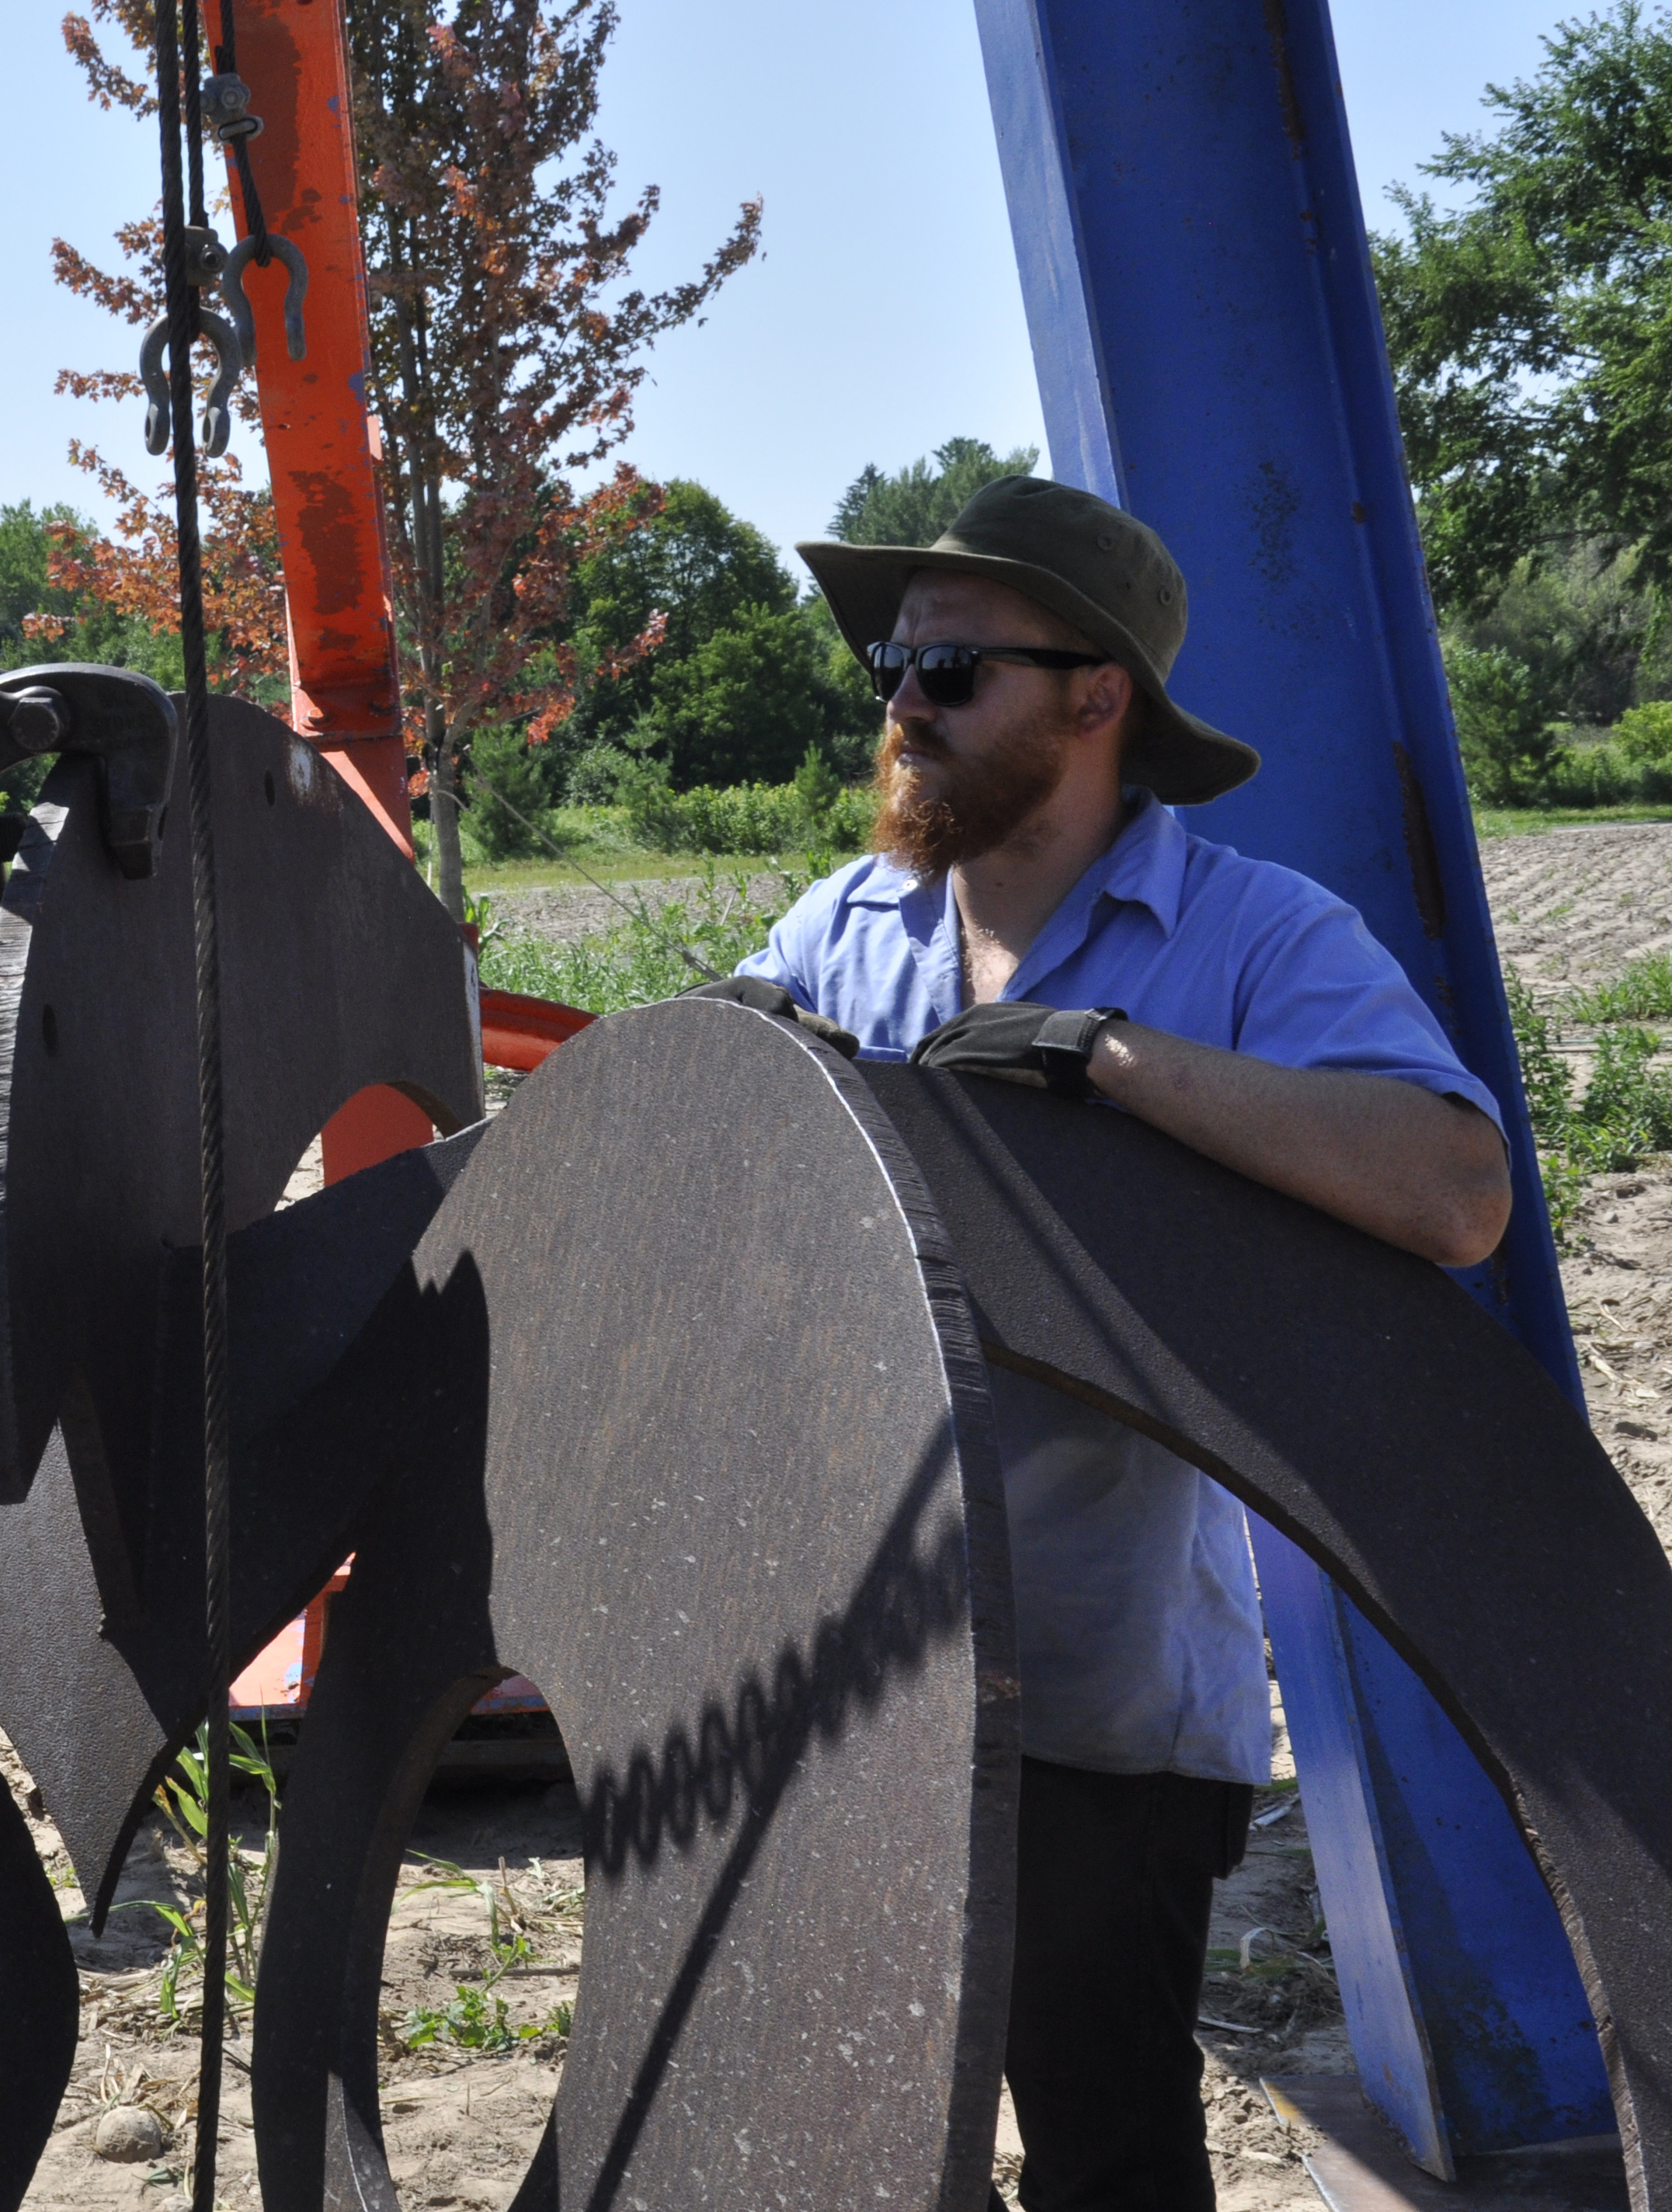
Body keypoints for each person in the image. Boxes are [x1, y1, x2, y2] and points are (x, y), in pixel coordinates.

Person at [724, 475, 1513, 2211]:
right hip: (856, 1683)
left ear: (1099, 697)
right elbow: (709, 1157)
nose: (902, 706)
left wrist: (1108, 1059)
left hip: (1103, 1703)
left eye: (954, 671)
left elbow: (1455, 1187)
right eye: (895, 664)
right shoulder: (840, 929)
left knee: (1107, 2156)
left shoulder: (1252, 936)